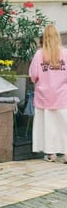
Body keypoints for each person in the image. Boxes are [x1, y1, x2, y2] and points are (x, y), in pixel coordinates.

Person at [28, 24, 67, 162]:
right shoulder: (65, 53)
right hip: (62, 96)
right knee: (63, 125)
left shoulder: (39, 54)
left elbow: (33, 75)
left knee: (47, 126)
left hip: (44, 97)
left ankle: (51, 154)